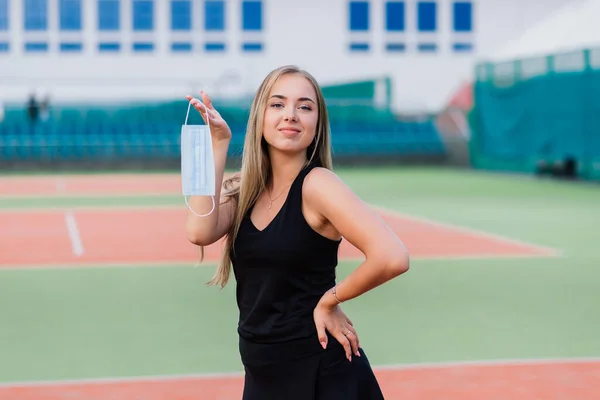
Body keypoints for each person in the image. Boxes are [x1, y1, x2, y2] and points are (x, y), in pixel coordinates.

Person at [185, 65, 410, 400]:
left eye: (304, 107)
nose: (290, 115)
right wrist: (219, 144)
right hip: (263, 374)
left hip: (321, 373)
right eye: (277, 105)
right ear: (260, 116)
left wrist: (329, 301)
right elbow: (199, 230)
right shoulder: (244, 190)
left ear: (317, 124)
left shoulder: (318, 184)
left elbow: (393, 257)